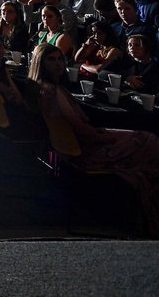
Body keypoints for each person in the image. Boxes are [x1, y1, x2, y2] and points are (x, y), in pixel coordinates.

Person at [31, 44, 159, 235]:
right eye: (51, 60)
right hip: (85, 151)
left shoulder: (43, 87)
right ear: (41, 63)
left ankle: (141, 213)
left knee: (146, 142)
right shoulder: (53, 91)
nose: (58, 64)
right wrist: (108, 136)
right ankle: (147, 218)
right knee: (150, 141)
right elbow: (84, 132)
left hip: (71, 147)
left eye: (60, 59)